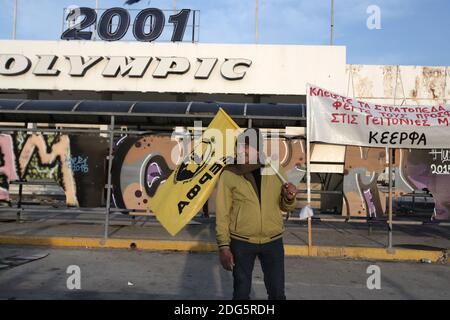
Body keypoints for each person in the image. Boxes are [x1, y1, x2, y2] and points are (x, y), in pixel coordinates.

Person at [215, 128, 297, 300]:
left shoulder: (274, 169)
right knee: (241, 293)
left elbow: (285, 207)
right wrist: (223, 246)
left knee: (277, 293)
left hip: (273, 241)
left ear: (258, 149)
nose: (241, 150)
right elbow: (222, 213)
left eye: (247, 146)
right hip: (241, 242)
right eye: (239, 146)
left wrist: (289, 197)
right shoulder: (229, 174)